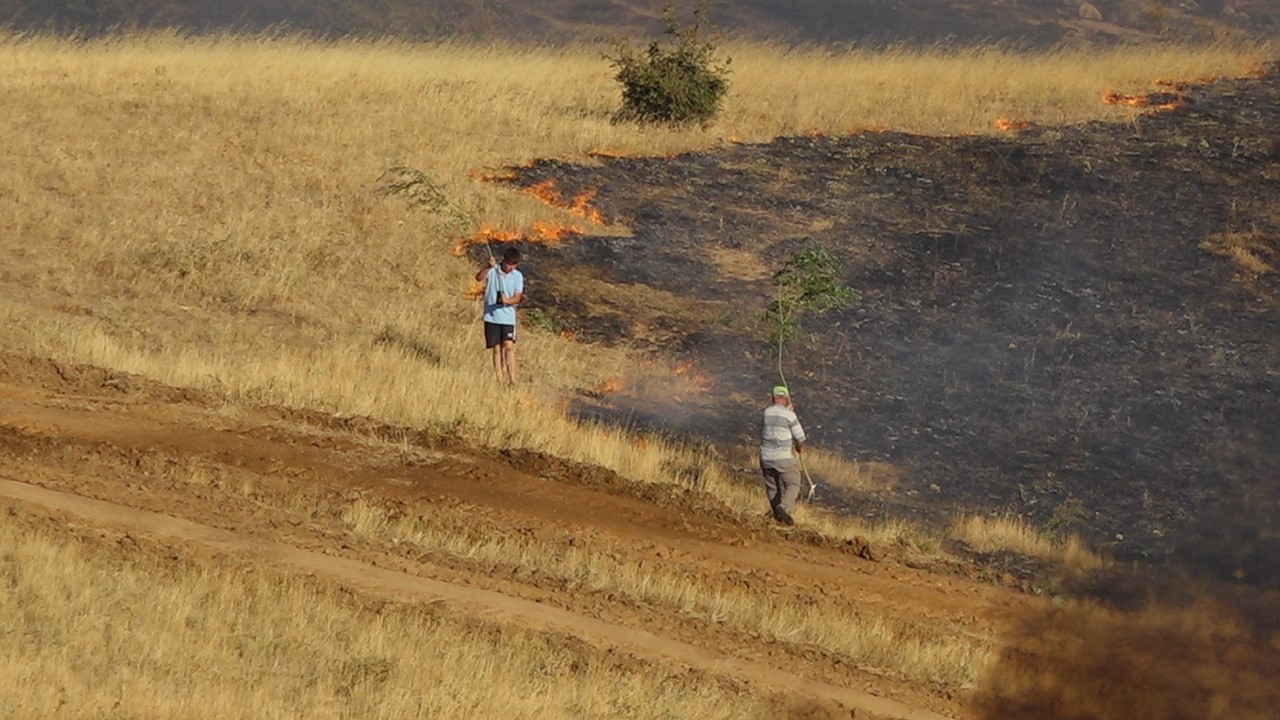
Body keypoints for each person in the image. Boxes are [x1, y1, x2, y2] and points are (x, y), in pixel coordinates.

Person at [475, 247, 524, 384]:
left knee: (509, 346)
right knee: (496, 349)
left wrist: (506, 301)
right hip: (492, 316)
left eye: (514, 264)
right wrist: (487, 267)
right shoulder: (493, 271)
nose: (511, 267)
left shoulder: (517, 276)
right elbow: (478, 278)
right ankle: (499, 379)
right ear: (504, 260)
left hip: (508, 317)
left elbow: (518, 297)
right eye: (509, 263)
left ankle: (513, 380)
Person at [760, 385, 806, 526]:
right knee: (793, 482)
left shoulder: (766, 413)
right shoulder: (789, 415)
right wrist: (798, 448)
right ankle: (784, 507)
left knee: (772, 487)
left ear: (773, 398)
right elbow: (800, 437)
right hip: (784, 459)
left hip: (765, 457)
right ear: (786, 398)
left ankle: (777, 517)